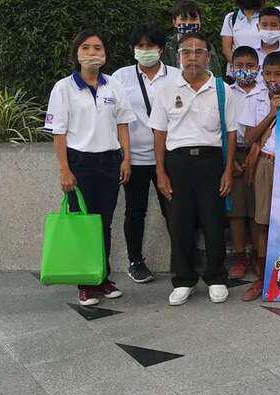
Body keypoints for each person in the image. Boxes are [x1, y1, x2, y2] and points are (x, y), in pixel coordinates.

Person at [45, 31, 135, 307]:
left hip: (109, 162)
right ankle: (85, 283)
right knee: (82, 223)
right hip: (79, 163)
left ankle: (102, 277)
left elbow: (122, 124)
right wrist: (64, 170)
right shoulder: (63, 88)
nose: (92, 52)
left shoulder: (114, 86)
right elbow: (58, 133)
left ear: (105, 54)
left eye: (97, 47)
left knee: (103, 224)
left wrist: (126, 158)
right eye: (86, 47)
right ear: (77, 53)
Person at [150, 33, 237, 306]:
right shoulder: (165, 89)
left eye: (199, 52)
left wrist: (228, 171)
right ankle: (183, 279)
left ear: (208, 57)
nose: (193, 57)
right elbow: (159, 134)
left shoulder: (222, 89)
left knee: (214, 222)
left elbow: (231, 133)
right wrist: (161, 172)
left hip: (211, 163)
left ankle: (216, 277)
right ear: (178, 57)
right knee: (179, 223)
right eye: (187, 52)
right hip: (177, 164)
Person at [112, 25, 180, 284]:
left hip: (170, 156)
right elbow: (115, 117)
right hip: (135, 158)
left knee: (174, 209)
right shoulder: (121, 77)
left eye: (150, 45)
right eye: (140, 46)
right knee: (135, 211)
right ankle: (135, 261)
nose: (145, 50)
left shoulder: (176, 75)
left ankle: (181, 259)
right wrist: (124, 157)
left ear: (161, 49)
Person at [239, 51, 280, 301]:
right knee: (263, 222)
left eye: (279, 74)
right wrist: (272, 113)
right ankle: (263, 279)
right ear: (262, 75)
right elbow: (249, 137)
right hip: (266, 161)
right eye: (269, 74)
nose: (273, 79)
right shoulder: (255, 99)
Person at [225, 45, 265, 280]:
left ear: (258, 68)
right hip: (234, 154)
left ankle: (259, 257)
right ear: (231, 68)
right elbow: (219, 127)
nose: (244, 70)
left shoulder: (265, 92)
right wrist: (229, 160)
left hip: (259, 154)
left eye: (250, 66)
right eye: (239, 66)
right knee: (237, 212)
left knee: (257, 212)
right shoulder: (225, 92)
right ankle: (240, 258)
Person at [162, 0, 224, 75]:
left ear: (200, 22)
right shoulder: (168, 47)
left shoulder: (208, 46)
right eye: (184, 19)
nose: (188, 23)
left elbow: (216, 73)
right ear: (174, 22)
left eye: (193, 19)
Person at [221, 0, 265, 67]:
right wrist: (239, 67)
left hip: (260, 69)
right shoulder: (230, 18)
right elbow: (226, 49)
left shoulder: (265, 17)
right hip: (236, 70)